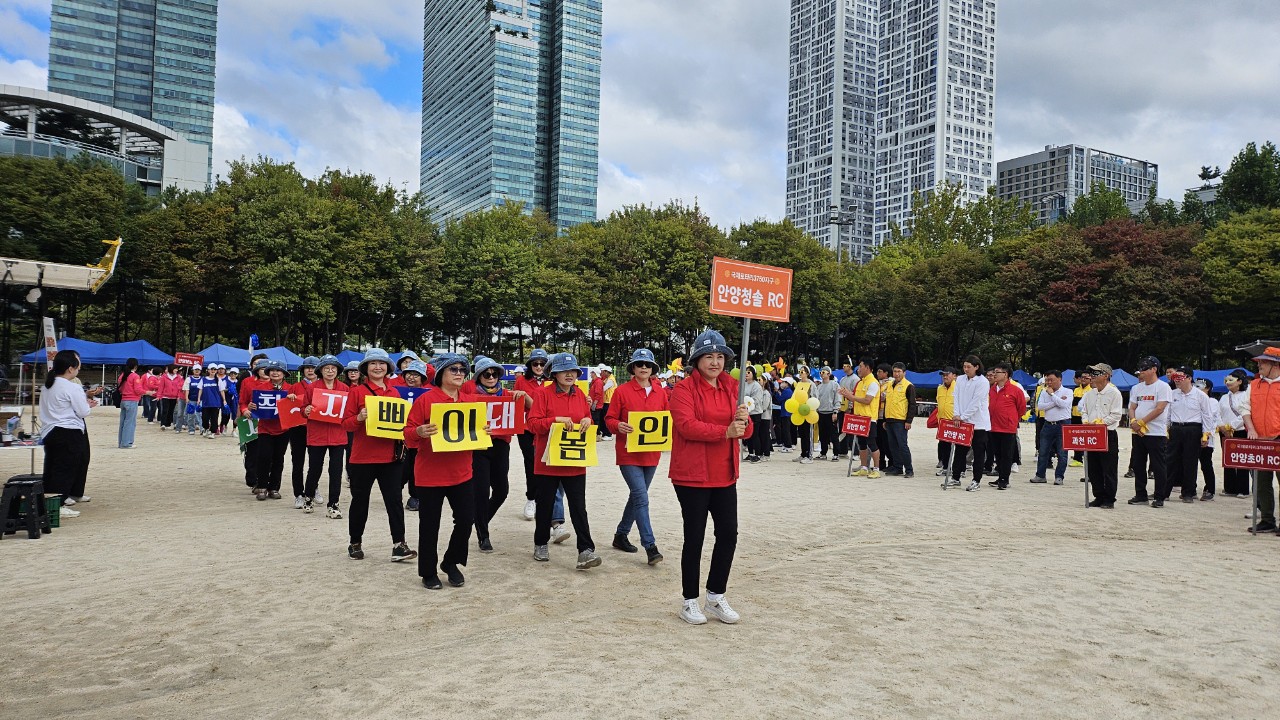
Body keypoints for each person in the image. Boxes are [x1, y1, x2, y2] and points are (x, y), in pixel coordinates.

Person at [670, 330, 749, 625]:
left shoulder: (732, 386)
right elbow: (686, 425)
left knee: (728, 533)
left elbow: (744, 428)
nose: (715, 362)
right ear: (696, 360)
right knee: (695, 537)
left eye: (719, 356)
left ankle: (715, 595)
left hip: (725, 473)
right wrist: (724, 431)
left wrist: (743, 422)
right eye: (708, 356)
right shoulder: (683, 389)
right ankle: (689, 600)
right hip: (692, 475)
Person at [404, 353, 480, 589]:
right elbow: (407, 434)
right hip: (430, 474)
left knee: (466, 520)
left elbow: (476, 433)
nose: (459, 373)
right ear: (440, 374)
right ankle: (428, 571)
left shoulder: (470, 401)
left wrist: (483, 430)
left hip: (462, 472)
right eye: (453, 369)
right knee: (430, 525)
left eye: (462, 370)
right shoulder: (425, 400)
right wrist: (419, 432)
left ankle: (450, 562)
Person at [527, 352, 601, 570]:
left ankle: (586, 550)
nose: (569, 375)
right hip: (547, 461)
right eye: (564, 371)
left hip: (574, 459)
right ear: (554, 374)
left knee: (579, 507)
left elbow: (587, 418)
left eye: (573, 371)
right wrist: (555, 421)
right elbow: (532, 424)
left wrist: (587, 419)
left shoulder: (580, 394)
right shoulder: (543, 394)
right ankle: (541, 543)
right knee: (545, 505)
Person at [342, 348, 417, 562]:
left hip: (390, 457)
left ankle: (399, 545)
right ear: (366, 368)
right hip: (363, 457)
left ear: (388, 368)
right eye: (373, 363)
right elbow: (345, 424)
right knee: (360, 502)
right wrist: (359, 417)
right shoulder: (357, 392)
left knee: (394, 501)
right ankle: (355, 542)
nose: (378, 367)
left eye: (382, 363)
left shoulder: (394, 392)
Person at [605, 348, 668, 565]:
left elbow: (667, 418)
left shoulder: (661, 392)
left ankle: (621, 535)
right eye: (639, 364)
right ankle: (650, 546)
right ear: (633, 367)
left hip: (651, 453)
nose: (643, 367)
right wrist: (618, 425)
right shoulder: (621, 391)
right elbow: (609, 419)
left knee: (637, 496)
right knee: (641, 497)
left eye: (647, 364)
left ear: (652, 369)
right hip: (628, 454)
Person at [470, 355, 525, 553]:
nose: (491, 377)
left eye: (495, 374)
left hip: (501, 446)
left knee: (502, 491)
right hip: (479, 447)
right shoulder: (470, 394)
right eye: (487, 374)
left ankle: (479, 520)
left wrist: (524, 395)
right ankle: (483, 535)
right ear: (479, 376)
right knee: (481, 492)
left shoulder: (509, 394)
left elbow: (533, 407)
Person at [39, 349, 98, 518]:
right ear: (70, 368)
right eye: (77, 366)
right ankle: (58, 504)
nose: (79, 369)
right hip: (68, 432)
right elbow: (83, 412)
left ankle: (50, 500)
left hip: (50, 431)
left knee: (52, 467)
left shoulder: (47, 385)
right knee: (65, 469)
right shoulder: (73, 387)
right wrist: (88, 406)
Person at [302, 355, 348, 516]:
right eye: (326, 368)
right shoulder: (312, 388)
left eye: (333, 368)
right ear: (320, 371)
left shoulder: (344, 388)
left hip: (338, 435)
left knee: (336, 471)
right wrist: (306, 410)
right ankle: (308, 497)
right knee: (315, 468)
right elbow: (303, 409)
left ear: (338, 371)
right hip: (317, 435)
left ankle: (333, 504)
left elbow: (348, 410)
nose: (330, 371)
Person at [242, 360, 294, 501]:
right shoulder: (260, 388)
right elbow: (248, 404)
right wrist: (250, 407)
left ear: (284, 373)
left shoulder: (290, 389)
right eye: (272, 370)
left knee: (278, 459)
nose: (275, 373)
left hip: (283, 429)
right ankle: (262, 486)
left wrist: (293, 399)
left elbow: (297, 408)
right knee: (263, 457)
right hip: (265, 428)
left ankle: (274, 487)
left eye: (278, 370)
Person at [1242, 346, 1280, 534]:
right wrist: (1250, 428)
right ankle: (1267, 520)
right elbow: (1245, 408)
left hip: (1278, 439)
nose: (1259, 365)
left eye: (1263, 362)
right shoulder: (1254, 385)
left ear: (1275, 364)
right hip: (1260, 442)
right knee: (1262, 483)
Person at [1164, 367, 1214, 503]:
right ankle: (1164, 491)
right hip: (1175, 428)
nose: (1176, 380)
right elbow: (1167, 413)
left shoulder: (1200, 395)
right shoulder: (1172, 394)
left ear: (1189, 378)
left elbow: (1207, 416)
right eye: (1175, 378)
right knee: (1170, 460)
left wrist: (1206, 434)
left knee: (1190, 461)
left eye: (1180, 377)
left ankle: (1188, 492)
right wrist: (1166, 429)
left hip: (1193, 429)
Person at [1127, 356, 1172, 507]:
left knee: (1158, 465)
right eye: (1140, 369)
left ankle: (1159, 496)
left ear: (1154, 369)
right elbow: (1132, 407)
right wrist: (1134, 421)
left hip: (1155, 432)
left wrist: (1142, 422)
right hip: (1138, 432)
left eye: (1145, 369)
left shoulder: (1163, 387)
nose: (1141, 372)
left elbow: (1160, 408)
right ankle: (1141, 494)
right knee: (1138, 464)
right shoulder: (1136, 388)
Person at [1080, 363, 1124, 508]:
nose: (1092, 376)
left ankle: (1109, 498)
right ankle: (1098, 496)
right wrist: (1086, 421)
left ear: (1106, 376)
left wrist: (1101, 423)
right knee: (1093, 467)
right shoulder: (1089, 394)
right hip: (1091, 433)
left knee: (1109, 468)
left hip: (1107, 433)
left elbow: (1116, 415)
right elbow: (1084, 411)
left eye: (1096, 373)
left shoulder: (1114, 393)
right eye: (1091, 373)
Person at [515, 349, 550, 520]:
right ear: (530, 365)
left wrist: (529, 399)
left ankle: (544, 501)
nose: (539, 367)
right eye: (535, 363)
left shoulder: (552, 381)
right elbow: (517, 403)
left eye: (542, 363)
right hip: (527, 428)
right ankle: (531, 498)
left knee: (547, 464)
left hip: (546, 428)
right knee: (530, 463)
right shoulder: (521, 381)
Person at [950, 355, 991, 491]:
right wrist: (957, 415)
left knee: (978, 453)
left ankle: (976, 480)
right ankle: (955, 477)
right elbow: (956, 397)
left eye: (969, 367)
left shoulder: (982, 382)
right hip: (962, 423)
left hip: (979, 424)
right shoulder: (960, 379)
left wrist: (963, 416)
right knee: (959, 451)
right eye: (964, 366)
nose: (966, 369)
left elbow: (976, 403)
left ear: (976, 367)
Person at [986, 362, 1026, 490]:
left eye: (997, 372)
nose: (994, 375)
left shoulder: (1016, 390)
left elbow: (1021, 408)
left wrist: (1011, 419)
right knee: (997, 454)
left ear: (1006, 374)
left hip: (1008, 428)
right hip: (993, 426)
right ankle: (1000, 476)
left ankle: (1005, 479)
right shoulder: (992, 389)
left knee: (1006, 455)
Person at [398, 360, 430, 513]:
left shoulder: (428, 394)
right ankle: (395, 493)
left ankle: (415, 497)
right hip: (401, 439)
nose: (411, 377)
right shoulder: (396, 392)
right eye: (409, 374)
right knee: (401, 470)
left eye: (416, 375)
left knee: (416, 470)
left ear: (422, 378)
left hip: (419, 441)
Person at [1032, 370, 1072, 485]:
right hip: (1048, 424)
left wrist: (1052, 395)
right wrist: (1056, 402)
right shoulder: (1044, 392)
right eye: (1047, 380)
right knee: (1043, 451)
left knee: (1062, 453)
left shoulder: (1068, 391)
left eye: (1051, 380)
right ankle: (1040, 475)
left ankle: (1059, 476)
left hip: (1063, 424)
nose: (1049, 382)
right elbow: (1040, 406)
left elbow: (1064, 404)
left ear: (1060, 379)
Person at [1218, 369, 1252, 498]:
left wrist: (1231, 426)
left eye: (1231, 380)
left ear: (1239, 381)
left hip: (1240, 430)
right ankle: (1230, 488)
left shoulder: (1246, 395)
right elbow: (1217, 413)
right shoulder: (1224, 397)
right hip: (1224, 432)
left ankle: (1243, 489)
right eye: (1226, 380)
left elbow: (1246, 413)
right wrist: (1222, 426)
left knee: (1241, 459)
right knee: (1228, 459)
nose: (1228, 382)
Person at [848, 358, 882, 478]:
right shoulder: (861, 382)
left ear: (867, 368)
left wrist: (852, 397)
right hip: (859, 418)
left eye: (860, 366)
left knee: (872, 444)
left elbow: (867, 400)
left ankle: (876, 469)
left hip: (869, 418)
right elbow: (856, 397)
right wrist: (847, 394)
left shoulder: (873, 383)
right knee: (861, 444)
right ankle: (864, 468)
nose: (858, 369)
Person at [882, 362, 917, 477]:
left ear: (904, 373)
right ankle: (897, 467)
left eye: (899, 371)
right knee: (892, 446)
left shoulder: (909, 386)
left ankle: (909, 470)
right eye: (895, 371)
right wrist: (885, 419)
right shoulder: (889, 384)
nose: (896, 374)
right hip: (890, 419)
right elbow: (887, 402)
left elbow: (912, 404)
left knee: (902, 446)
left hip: (901, 420)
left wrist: (909, 421)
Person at [1194, 377, 1221, 502]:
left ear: (1208, 388)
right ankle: (1190, 488)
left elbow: (1208, 417)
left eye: (1200, 386)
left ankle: (1210, 489)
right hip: (1192, 435)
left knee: (1206, 464)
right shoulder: (1193, 399)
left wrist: (1206, 435)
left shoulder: (1212, 401)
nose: (1196, 388)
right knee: (1190, 464)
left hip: (1206, 437)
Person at [116, 357, 150, 448]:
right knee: (130, 423)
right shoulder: (135, 376)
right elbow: (138, 390)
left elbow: (120, 388)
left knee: (123, 422)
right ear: (135, 366)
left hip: (123, 400)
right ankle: (127, 443)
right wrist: (147, 392)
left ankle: (121, 442)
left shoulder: (122, 375)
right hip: (132, 400)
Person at [741, 366, 767, 463]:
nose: (746, 374)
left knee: (754, 434)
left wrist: (748, 404)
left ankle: (757, 454)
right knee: (748, 434)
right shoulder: (744, 384)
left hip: (755, 412)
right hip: (746, 412)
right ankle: (751, 453)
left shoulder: (756, 385)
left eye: (749, 372)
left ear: (753, 374)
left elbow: (756, 399)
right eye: (745, 372)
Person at [814, 366, 840, 461]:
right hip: (821, 412)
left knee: (833, 434)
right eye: (820, 372)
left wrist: (835, 411)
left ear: (829, 374)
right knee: (822, 434)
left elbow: (837, 398)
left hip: (831, 412)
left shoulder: (834, 385)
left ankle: (836, 453)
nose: (821, 374)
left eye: (823, 372)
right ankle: (823, 452)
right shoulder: (819, 386)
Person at [935, 367, 957, 476]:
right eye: (943, 374)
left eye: (947, 374)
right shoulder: (940, 388)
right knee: (944, 446)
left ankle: (960, 469)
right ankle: (946, 467)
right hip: (943, 422)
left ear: (954, 376)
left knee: (959, 447)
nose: (945, 376)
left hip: (955, 422)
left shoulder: (959, 387)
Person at [836, 358, 858, 459]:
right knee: (842, 429)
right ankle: (843, 450)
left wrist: (850, 406)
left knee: (852, 430)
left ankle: (856, 452)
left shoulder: (855, 379)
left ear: (850, 366)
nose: (843, 367)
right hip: (842, 407)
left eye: (845, 366)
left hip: (850, 408)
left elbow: (855, 394)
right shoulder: (843, 379)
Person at [199, 363, 227, 439]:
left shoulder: (218, 380)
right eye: (212, 369)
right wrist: (198, 399)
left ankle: (213, 432)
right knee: (205, 418)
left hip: (215, 402)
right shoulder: (203, 379)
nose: (213, 370)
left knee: (214, 418)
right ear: (208, 370)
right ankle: (206, 428)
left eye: (215, 369)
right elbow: (200, 389)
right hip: (206, 402)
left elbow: (222, 390)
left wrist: (224, 400)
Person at [158, 365, 183, 429]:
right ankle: (163, 424)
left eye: (177, 369)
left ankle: (168, 424)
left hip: (174, 397)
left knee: (171, 411)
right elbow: (161, 387)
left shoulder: (179, 377)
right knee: (165, 410)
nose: (176, 370)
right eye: (175, 369)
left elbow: (180, 387)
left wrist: (178, 396)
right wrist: (159, 395)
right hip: (165, 396)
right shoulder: (164, 376)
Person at [774, 376, 795, 453]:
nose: (781, 383)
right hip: (784, 412)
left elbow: (779, 399)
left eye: (783, 382)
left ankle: (788, 446)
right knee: (784, 429)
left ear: (787, 383)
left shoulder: (787, 391)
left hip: (786, 413)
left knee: (786, 430)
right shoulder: (787, 391)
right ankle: (785, 445)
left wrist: (777, 392)